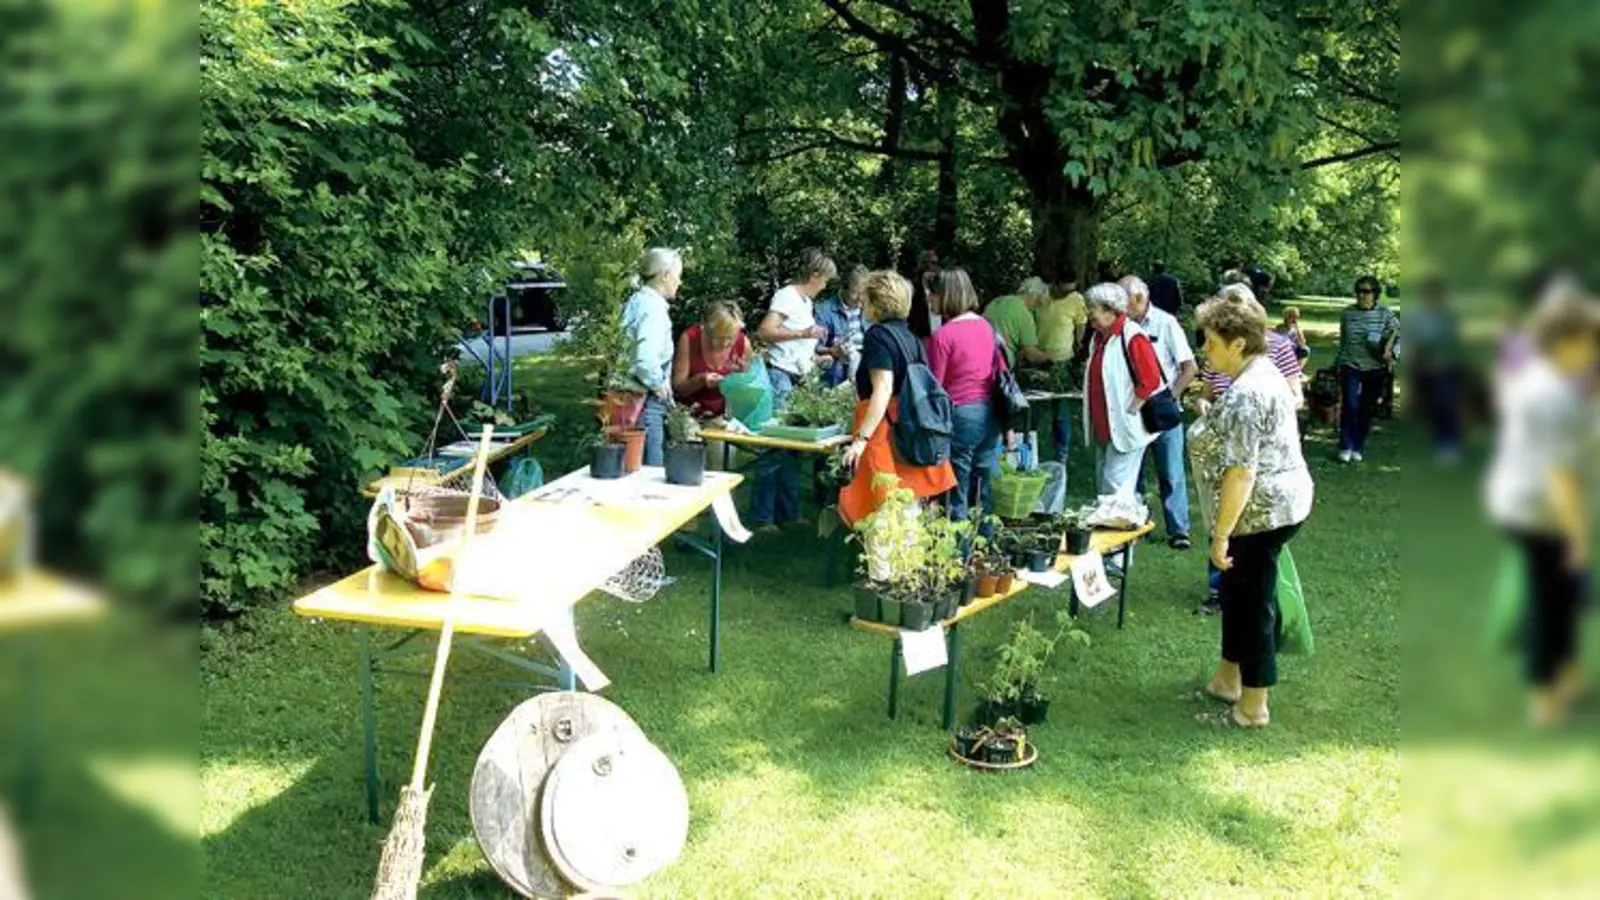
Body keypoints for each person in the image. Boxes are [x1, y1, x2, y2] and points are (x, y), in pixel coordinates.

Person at [1186, 294, 1315, 729]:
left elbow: (1241, 473)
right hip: (1276, 505)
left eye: (1210, 343)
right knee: (1239, 595)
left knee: (1252, 604)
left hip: (1262, 513)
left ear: (1238, 344)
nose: (1205, 351)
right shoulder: (1260, 372)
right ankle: (1227, 679)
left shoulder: (1248, 393)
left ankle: (1254, 705)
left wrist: (1221, 535)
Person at [1484, 289, 1597, 727]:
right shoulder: (1550, 393)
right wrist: (1578, 538)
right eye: (1590, 341)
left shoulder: (1550, 382)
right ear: (1566, 340)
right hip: (1538, 514)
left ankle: (1566, 672)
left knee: (1564, 595)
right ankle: (1543, 694)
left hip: (1536, 507)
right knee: (1549, 602)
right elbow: (1560, 476)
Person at [839, 271, 957, 525]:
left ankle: (883, 566)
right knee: (908, 506)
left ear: (875, 303)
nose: (862, 304)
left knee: (880, 513)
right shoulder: (912, 339)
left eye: (866, 300)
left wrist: (860, 440)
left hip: (883, 432)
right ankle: (904, 565)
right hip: (907, 429)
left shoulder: (878, 336)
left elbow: (882, 389)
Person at [750, 248, 839, 530]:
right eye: (825, 280)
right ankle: (763, 518)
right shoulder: (787, 295)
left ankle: (788, 514)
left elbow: (801, 346)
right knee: (775, 448)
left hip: (799, 378)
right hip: (781, 378)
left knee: (793, 451)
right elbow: (765, 332)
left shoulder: (805, 303)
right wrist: (803, 333)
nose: (826, 286)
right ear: (813, 276)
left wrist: (826, 353)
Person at [1123, 274, 1199, 549]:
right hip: (1134, 410)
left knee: (1172, 471)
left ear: (1140, 299)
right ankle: (1136, 523)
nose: (1120, 306)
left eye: (1124, 300)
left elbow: (1189, 367)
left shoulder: (1166, 323)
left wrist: (1170, 397)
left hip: (1163, 410)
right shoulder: (1123, 327)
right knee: (1135, 472)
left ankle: (1179, 530)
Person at [926, 268, 1002, 522]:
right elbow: (1000, 370)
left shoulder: (943, 336)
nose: (929, 301)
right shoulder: (987, 327)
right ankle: (986, 545)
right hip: (990, 411)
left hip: (961, 414)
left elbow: (936, 386)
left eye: (932, 295)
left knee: (957, 486)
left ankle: (958, 552)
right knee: (982, 486)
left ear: (945, 296)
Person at [1081, 282, 1163, 498]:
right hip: (1104, 428)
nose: (1089, 314)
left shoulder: (1132, 335)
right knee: (1107, 489)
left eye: (1093, 308)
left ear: (1110, 309)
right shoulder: (1098, 338)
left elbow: (1151, 379)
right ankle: (1132, 523)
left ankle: (1126, 525)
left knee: (1114, 491)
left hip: (1124, 427)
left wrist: (1131, 410)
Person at [621, 247, 682, 466]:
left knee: (630, 466)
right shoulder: (654, 309)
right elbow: (645, 360)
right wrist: (659, 387)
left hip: (628, 396)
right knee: (648, 472)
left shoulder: (636, 300)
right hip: (645, 401)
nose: (679, 282)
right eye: (678, 275)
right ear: (664, 275)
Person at [1333, 274, 1399, 463]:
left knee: (1367, 408)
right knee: (1351, 405)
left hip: (1375, 367)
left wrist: (1392, 353)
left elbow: (1400, 334)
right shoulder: (1347, 314)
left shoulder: (1385, 313)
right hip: (1350, 365)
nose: (1362, 295)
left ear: (1375, 294)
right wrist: (1337, 363)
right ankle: (1345, 446)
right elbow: (1344, 341)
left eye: (1366, 291)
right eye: (1359, 291)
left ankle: (1357, 445)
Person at [1405, 279, 1465, 463]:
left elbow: (1455, 342)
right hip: (1425, 368)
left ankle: (1449, 443)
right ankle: (1441, 440)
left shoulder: (1448, 317)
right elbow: (1413, 342)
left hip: (1446, 367)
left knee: (1446, 403)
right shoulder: (1418, 317)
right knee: (1432, 406)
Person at [1035, 274, 1089, 465]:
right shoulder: (1040, 295)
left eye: (1071, 290)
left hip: (1062, 360)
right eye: (1064, 290)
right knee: (1035, 407)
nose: (1067, 294)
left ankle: (1061, 456)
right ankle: (1032, 450)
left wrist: (1079, 344)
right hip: (1037, 357)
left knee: (1061, 409)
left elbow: (1081, 326)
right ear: (1055, 283)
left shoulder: (1076, 300)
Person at [672, 300, 752, 417]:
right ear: (705, 329)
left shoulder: (744, 343)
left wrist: (742, 377)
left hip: (729, 417)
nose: (725, 343)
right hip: (690, 415)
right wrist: (701, 380)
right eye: (718, 338)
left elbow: (752, 391)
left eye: (730, 337)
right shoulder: (690, 338)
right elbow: (679, 388)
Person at [814, 265, 868, 387]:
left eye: (864, 293)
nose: (860, 298)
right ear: (845, 288)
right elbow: (815, 346)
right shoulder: (824, 311)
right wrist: (831, 350)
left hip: (865, 362)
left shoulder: (870, 310)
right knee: (836, 367)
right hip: (838, 365)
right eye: (855, 293)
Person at [984, 276, 1053, 368]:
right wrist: (1047, 357)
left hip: (981, 354)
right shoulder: (1025, 315)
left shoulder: (997, 301)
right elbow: (1031, 354)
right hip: (1000, 364)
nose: (1037, 306)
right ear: (1034, 295)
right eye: (1039, 302)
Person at [906, 248, 943, 339]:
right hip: (919, 336)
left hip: (941, 333)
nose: (930, 266)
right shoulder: (912, 287)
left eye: (934, 263)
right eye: (925, 263)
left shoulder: (943, 286)